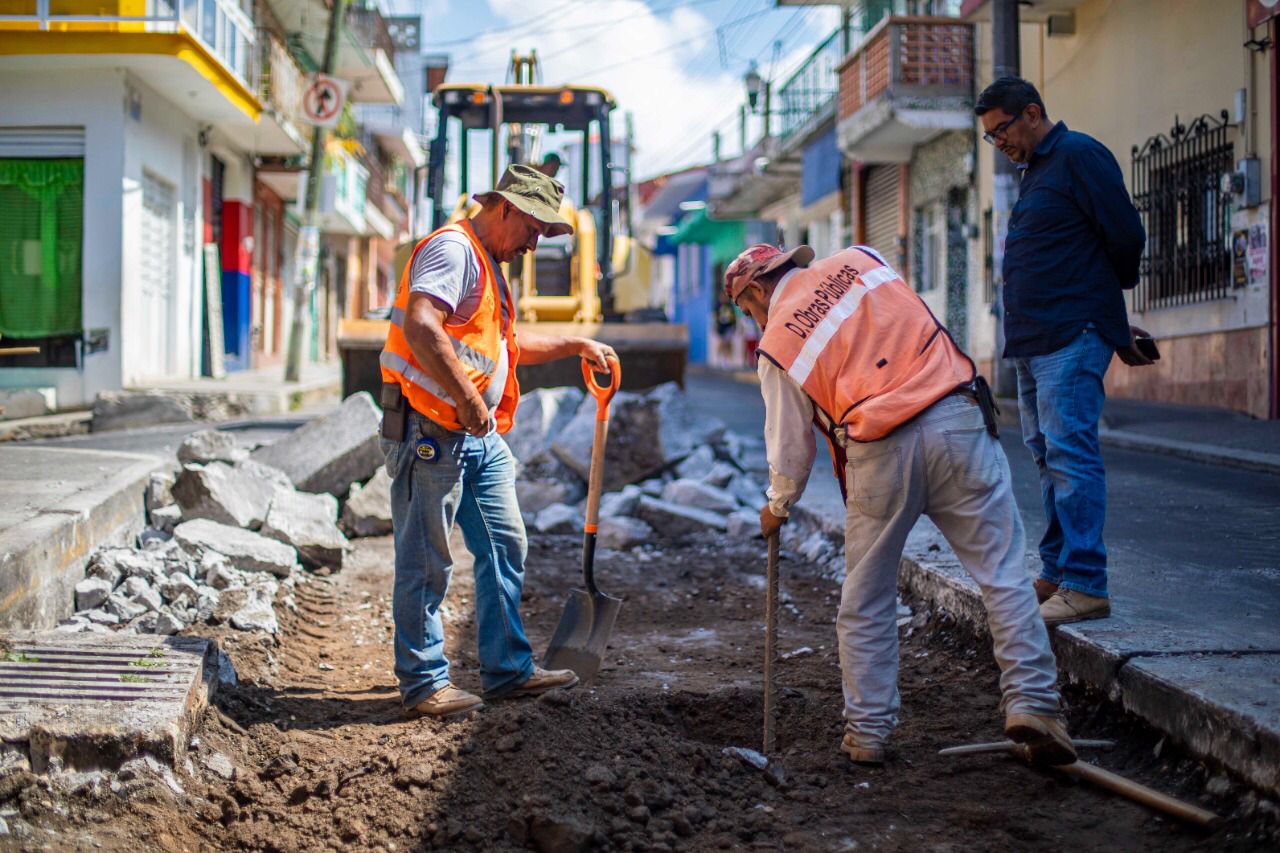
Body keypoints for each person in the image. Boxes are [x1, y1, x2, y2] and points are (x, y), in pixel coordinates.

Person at [726, 242, 1074, 768]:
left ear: (754, 290)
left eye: (747, 308)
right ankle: (1034, 703)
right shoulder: (863, 261)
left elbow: (789, 446)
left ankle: (867, 733)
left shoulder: (778, 342)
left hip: (881, 448)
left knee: (866, 598)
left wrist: (778, 504)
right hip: (957, 417)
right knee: (1003, 575)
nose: (753, 318)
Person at [380, 164, 617, 718]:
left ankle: (507, 670)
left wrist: (576, 343)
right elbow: (421, 325)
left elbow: (507, 346)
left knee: (505, 541)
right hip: (431, 430)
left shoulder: (487, 264)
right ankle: (424, 683)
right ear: (506, 207)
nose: (536, 244)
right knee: (426, 561)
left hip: (474, 433)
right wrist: (467, 399)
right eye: (534, 229)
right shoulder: (453, 251)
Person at [975, 77, 1153, 626]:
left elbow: (1124, 235)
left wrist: (1104, 308)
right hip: (1034, 340)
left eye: (1001, 130)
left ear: (1032, 113)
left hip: (1072, 333)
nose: (998, 143)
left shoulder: (1078, 155)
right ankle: (1057, 571)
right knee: (1047, 456)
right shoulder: (1034, 174)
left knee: (1071, 456)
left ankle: (1085, 582)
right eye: (989, 137)